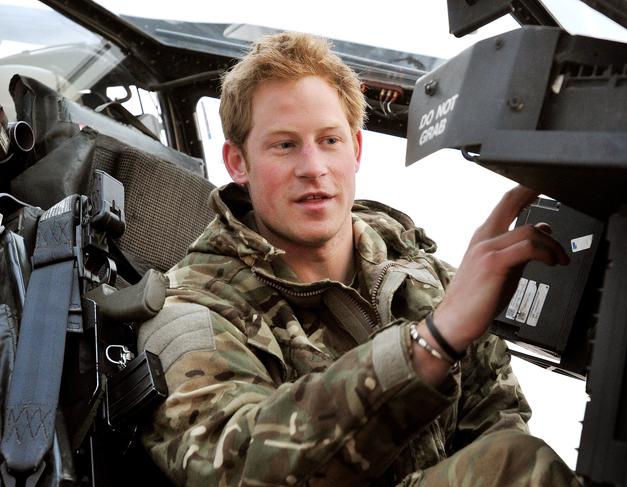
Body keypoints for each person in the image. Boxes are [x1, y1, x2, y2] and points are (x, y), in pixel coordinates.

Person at [138, 32, 580, 486]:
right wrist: (429, 346)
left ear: (356, 149)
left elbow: (495, 420)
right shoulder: (191, 312)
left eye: (329, 140)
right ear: (238, 163)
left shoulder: (422, 275)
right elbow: (233, 468)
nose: (313, 167)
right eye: (284, 145)